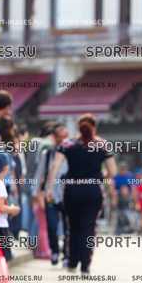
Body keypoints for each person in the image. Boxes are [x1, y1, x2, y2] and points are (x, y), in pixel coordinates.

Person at [46, 113, 117, 274]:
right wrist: (100, 177)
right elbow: (113, 171)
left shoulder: (67, 144)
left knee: (73, 227)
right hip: (92, 190)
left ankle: (72, 262)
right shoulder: (103, 145)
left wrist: (49, 188)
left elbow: (55, 167)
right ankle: (85, 265)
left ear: (78, 128)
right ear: (94, 127)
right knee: (89, 227)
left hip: (72, 190)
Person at [35, 122, 70, 265]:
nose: (63, 140)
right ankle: (54, 251)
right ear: (54, 138)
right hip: (50, 195)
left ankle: (67, 254)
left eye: (65, 137)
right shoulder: (48, 154)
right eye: (60, 137)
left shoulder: (72, 153)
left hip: (68, 195)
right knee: (52, 225)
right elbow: (39, 174)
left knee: (68, 227)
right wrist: (38, 194)